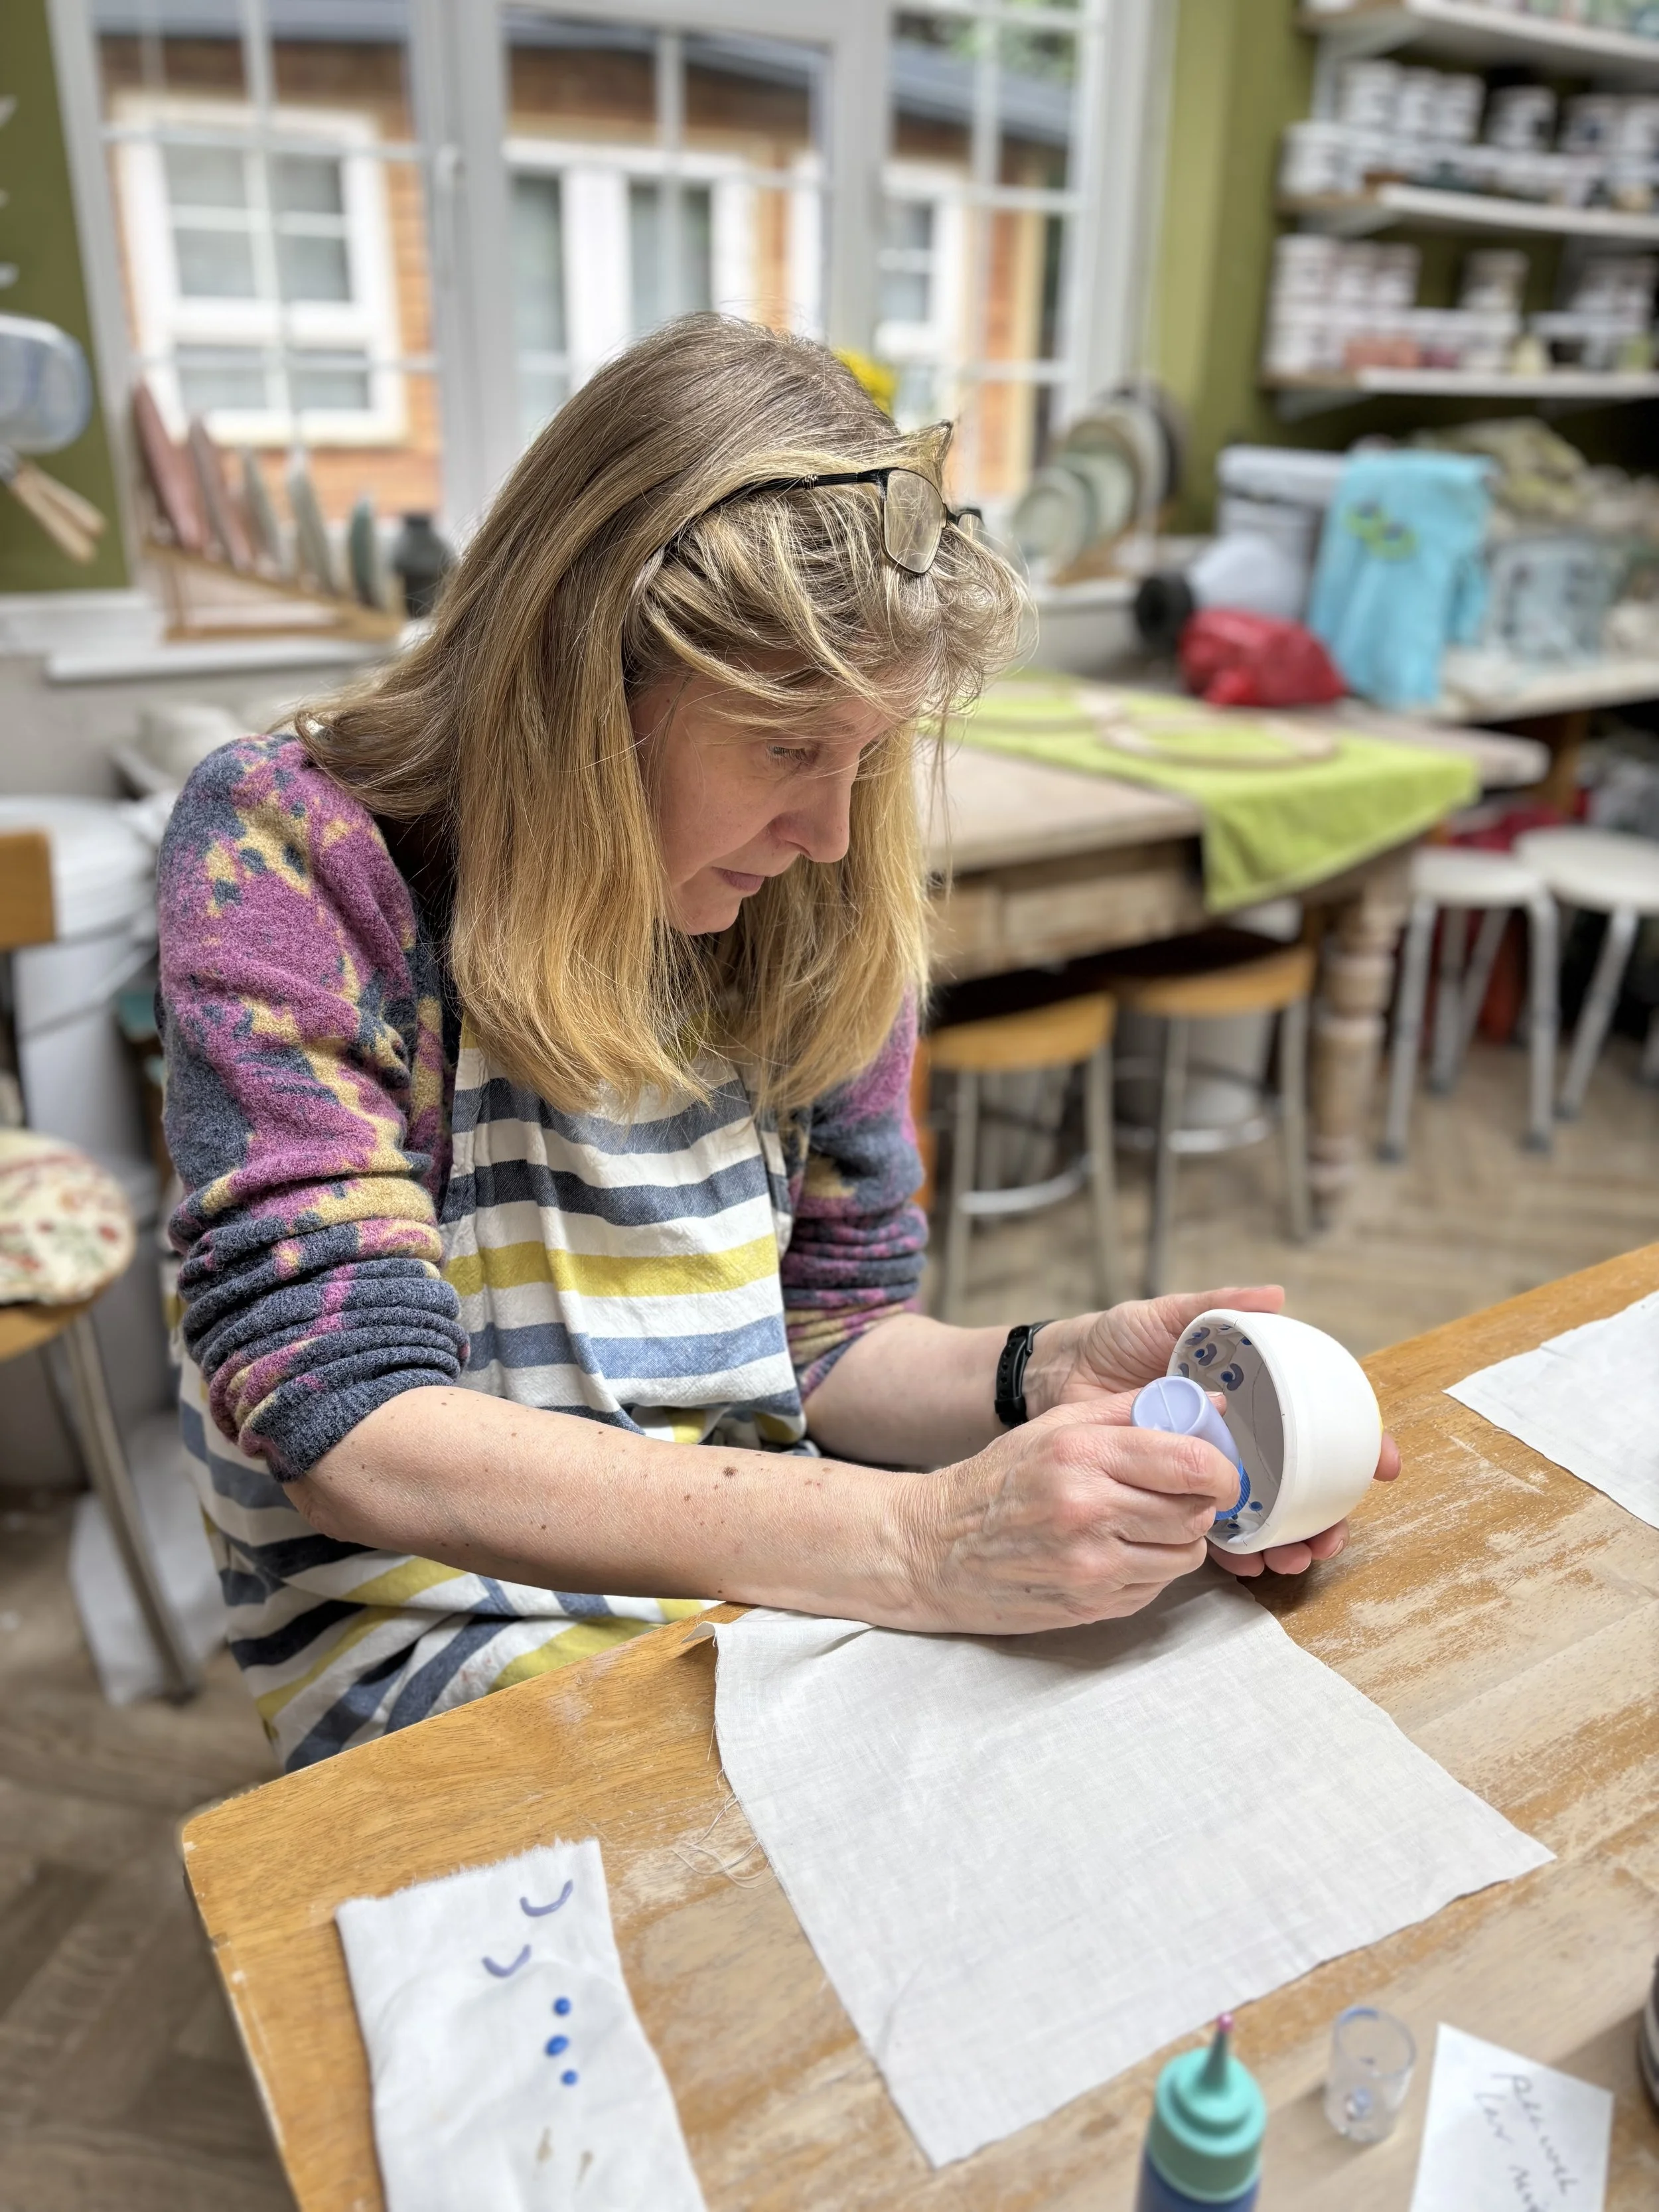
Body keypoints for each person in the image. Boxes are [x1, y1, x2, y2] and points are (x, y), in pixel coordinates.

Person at [158, 317, 1396, 1771]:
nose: (824, 831)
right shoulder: (296, 853)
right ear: (580, 682)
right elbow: (353, 1425)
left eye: (865, 759)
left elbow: (826, 1340)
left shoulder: (810, 903)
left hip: (754, 1562)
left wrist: (1035, 1374)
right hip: (424, 1620)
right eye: (785, 745)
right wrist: (917, 1538)